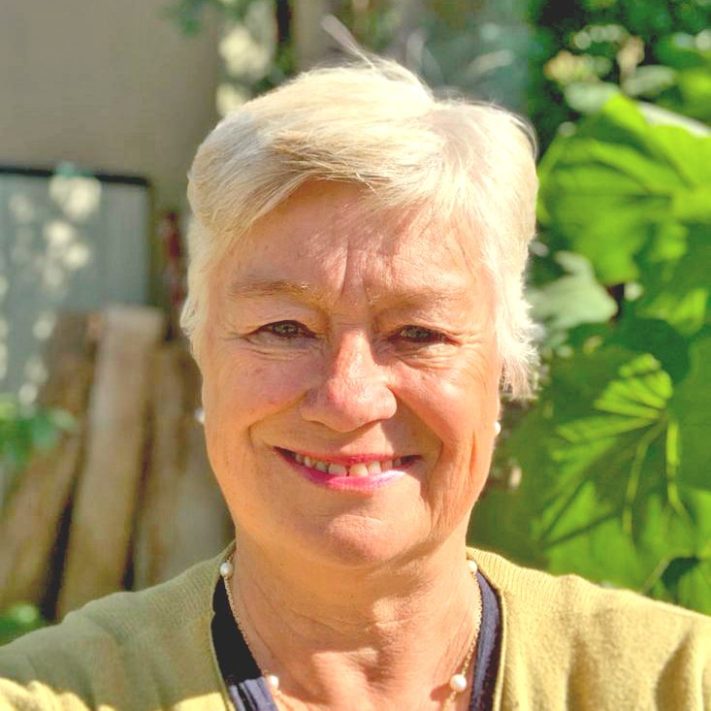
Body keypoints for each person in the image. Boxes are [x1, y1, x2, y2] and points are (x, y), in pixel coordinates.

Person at [0, 59, 709, 711]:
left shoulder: (675, 682)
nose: (348, 397)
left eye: (418, 333)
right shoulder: (53, 694)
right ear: (202, 356)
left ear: (503, 369)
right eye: (283, 328)